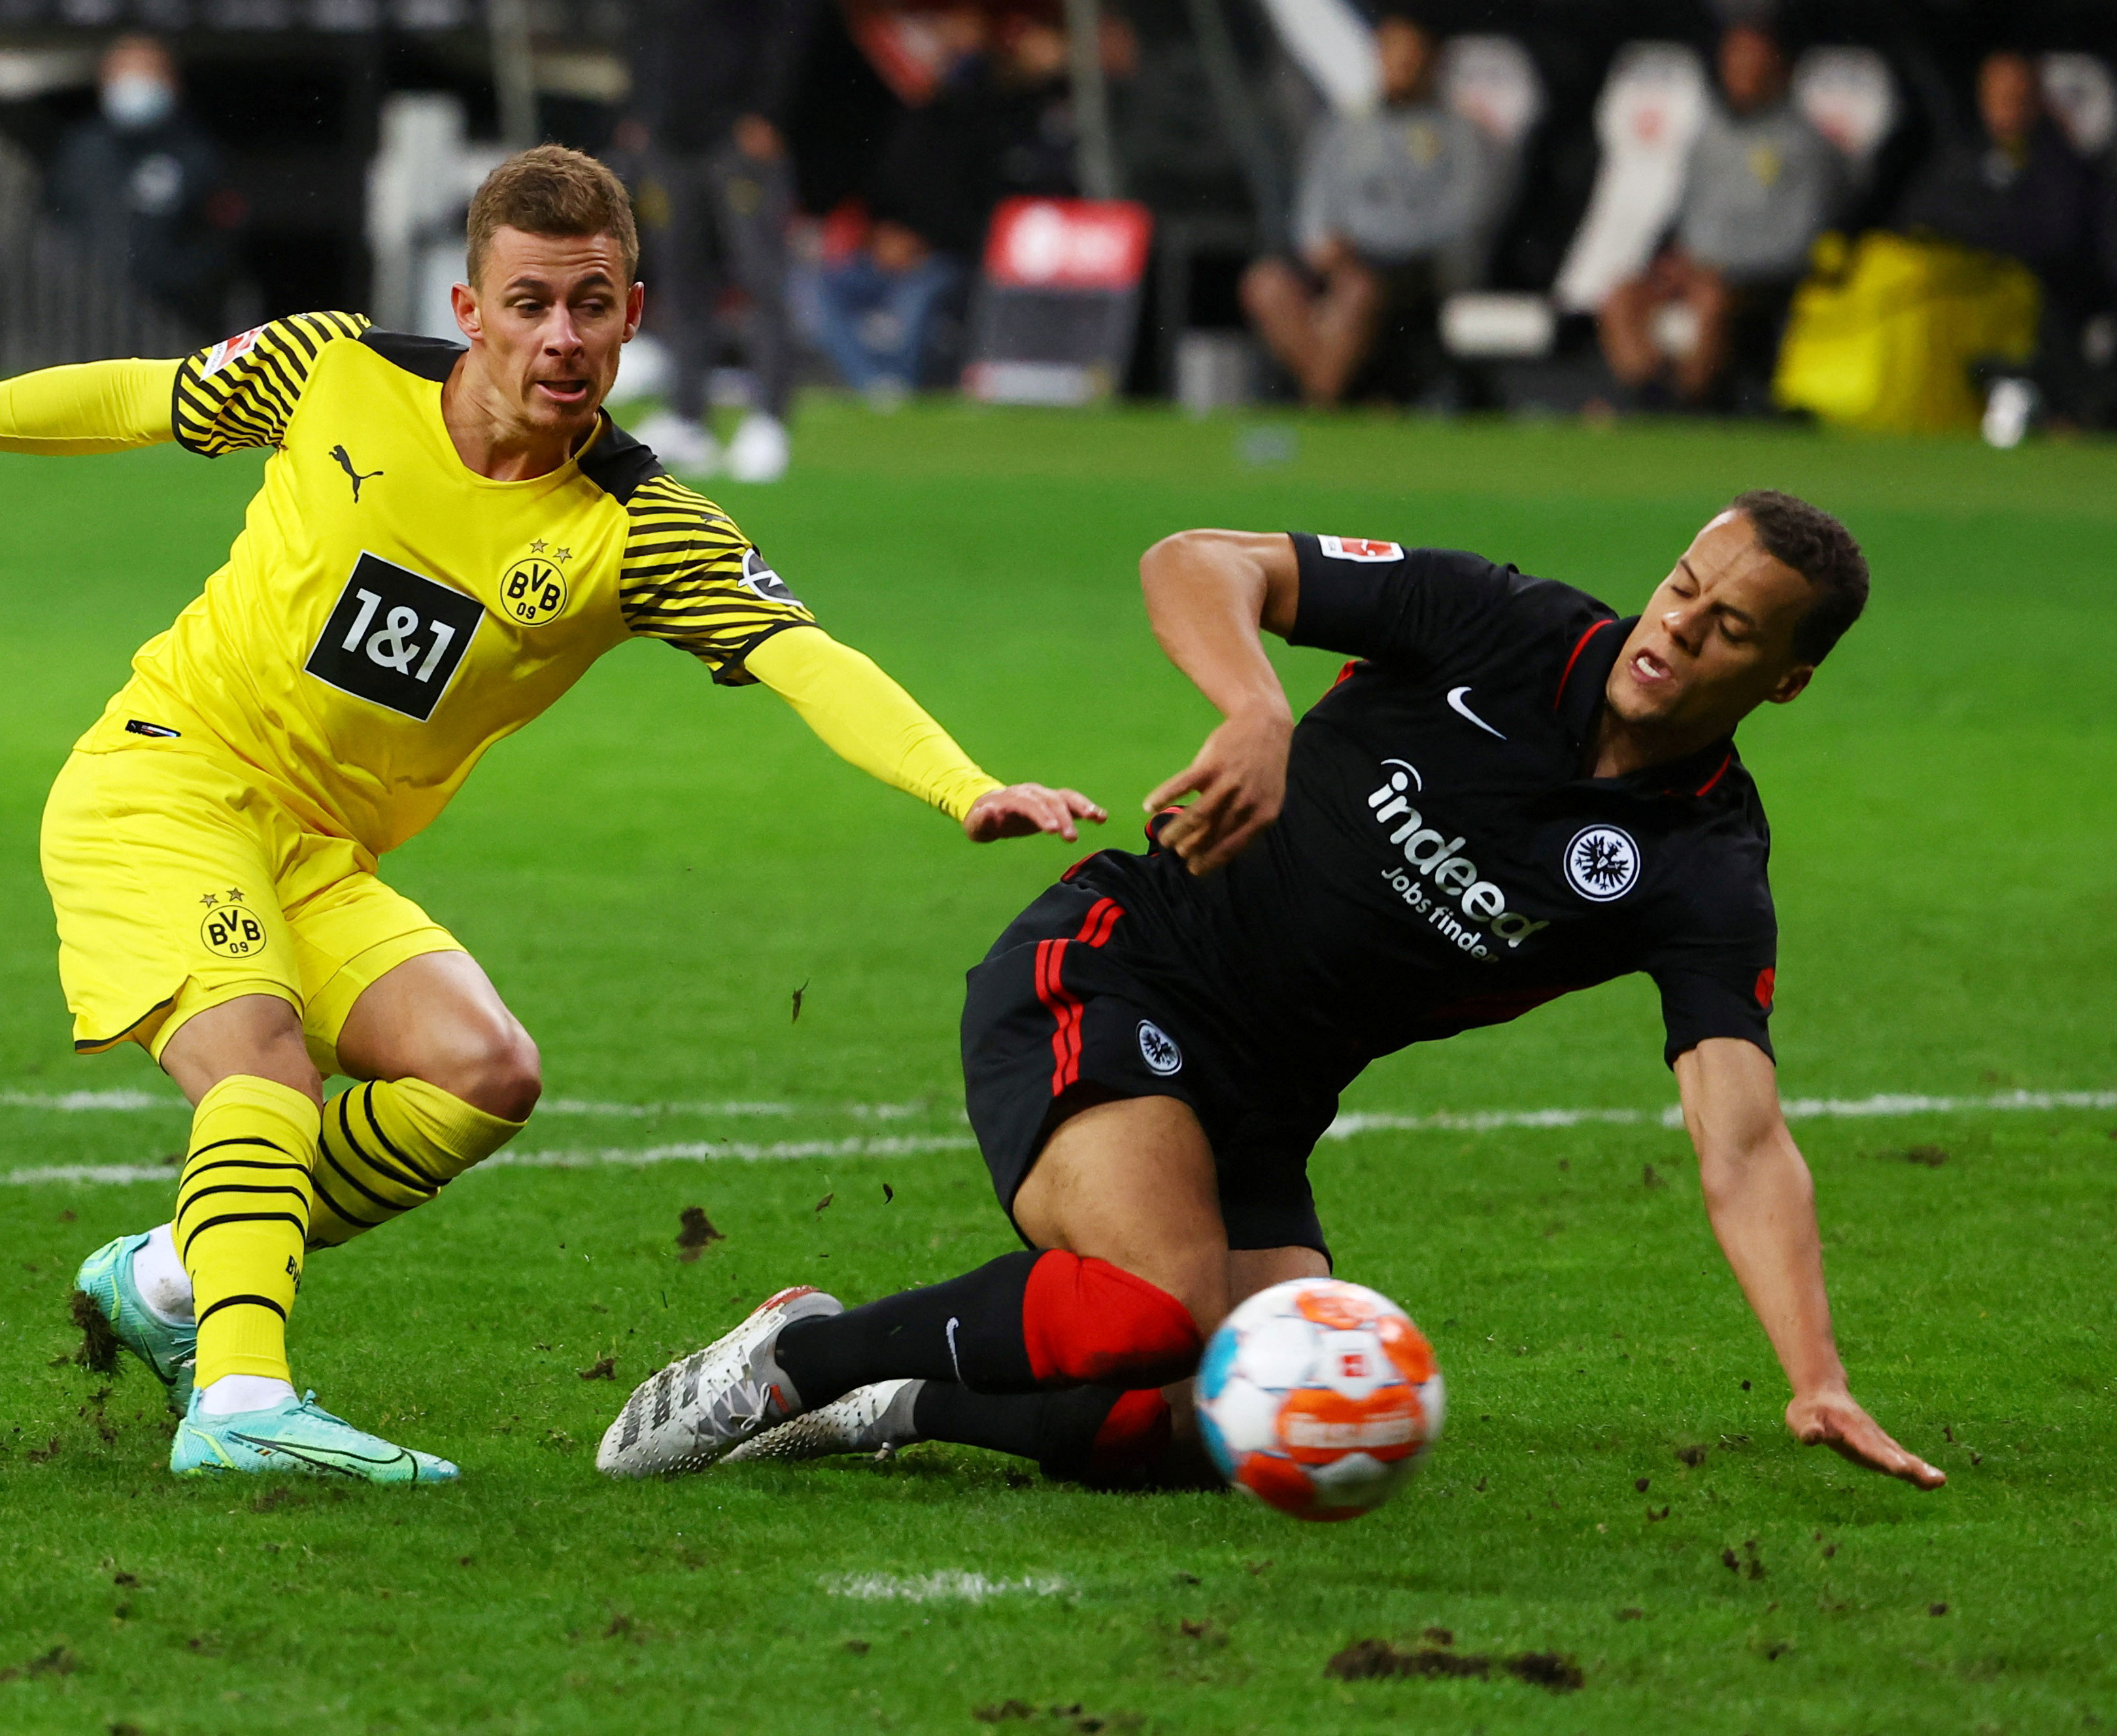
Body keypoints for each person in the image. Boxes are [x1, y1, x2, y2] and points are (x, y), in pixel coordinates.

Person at [0, 146, 1101, 1486]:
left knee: (484, 1069)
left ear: (635, 314)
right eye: (528, 303)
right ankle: (238, 1399)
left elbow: (810, 657)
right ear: (469, 310)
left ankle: (171, 1279)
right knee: (262, 1068)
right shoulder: (337, 368)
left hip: (317, 852)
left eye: (590, 304)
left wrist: (962, 783)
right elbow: (136, 396)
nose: (559, 338)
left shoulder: (638, 528)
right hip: (163, 782)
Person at [601, 494, 1947, 1499]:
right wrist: (1254, 706)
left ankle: (893, 1404)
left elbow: (1741, 1133)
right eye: (1679, 587)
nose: (1673, 631)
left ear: (1784, 679)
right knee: (1153, 1304)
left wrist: (1814, 1375)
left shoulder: (1700, 864)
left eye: (1725, 629)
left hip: (1263, 1107)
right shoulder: (1502, 624)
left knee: (1236, 1420)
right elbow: (1194, 560)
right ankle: (796, 1357)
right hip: (1118, 963)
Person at [618, 0, 818, 482]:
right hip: (667, 133)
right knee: (680, 279)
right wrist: (639, 108)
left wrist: (767, 111)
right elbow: (641, 19)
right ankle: (689, 417)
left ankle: (770, 418)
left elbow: (792, 18)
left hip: (737, 132)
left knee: (760, 274)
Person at [816, 17, 1080, 403]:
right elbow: (883, 189)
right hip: (896, 252)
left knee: (918, 299)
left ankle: (899, 388)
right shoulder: (914, 117)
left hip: (951, 258)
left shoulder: (985, 116)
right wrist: (883, 235)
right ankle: (876, 386)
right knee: (824, 287)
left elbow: (977, 206)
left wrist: (925, 245)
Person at [1242, 16, 1492, 407]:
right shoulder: (1344, 127)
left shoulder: (1458, 136)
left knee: (1357, 292)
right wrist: (1322, 244)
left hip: (1409, 266)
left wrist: (1368, 242)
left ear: (1430, 64)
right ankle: (1330, 392)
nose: (1399, 71)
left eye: (1409, 61)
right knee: (1266, 283)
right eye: (1391, 58)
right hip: (1337, 261)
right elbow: (1314, 203)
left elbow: (1462, 217)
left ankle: (1322, 400)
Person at [1599, 26, 1842, 407]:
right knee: (1621, 295)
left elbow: (1802, 240)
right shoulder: (1708, 133)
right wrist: (1674, 261)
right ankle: (1649, 396)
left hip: (1757, 281)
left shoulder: (1806, 147)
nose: (1741, 71)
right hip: (1695, 270)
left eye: (1752, 61)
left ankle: (1692, 402)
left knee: (1709, 301)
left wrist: (1724, 269)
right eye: (1734, 60)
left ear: (1779, 69)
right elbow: (1685, 212)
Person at [1895, 51, 2105, 426]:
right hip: (1966, 301)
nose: (2006, 110)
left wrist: (1986, 236)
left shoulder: (2058, 161)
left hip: (2037, 307)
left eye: (2018, 98)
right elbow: (1921, 216)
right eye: (1998, 98)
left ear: (2036, 101)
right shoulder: (1963, 154)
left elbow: (2056, 239)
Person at [49, 33, 237, 335]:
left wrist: (178, 283)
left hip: (174, 321)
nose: (133, 85)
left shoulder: (197, 152)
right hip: (85, 319)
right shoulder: (81, 150)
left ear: (171, 83)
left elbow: (219, 236)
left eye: (145, 74)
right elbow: (56, 221)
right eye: (123, 74)